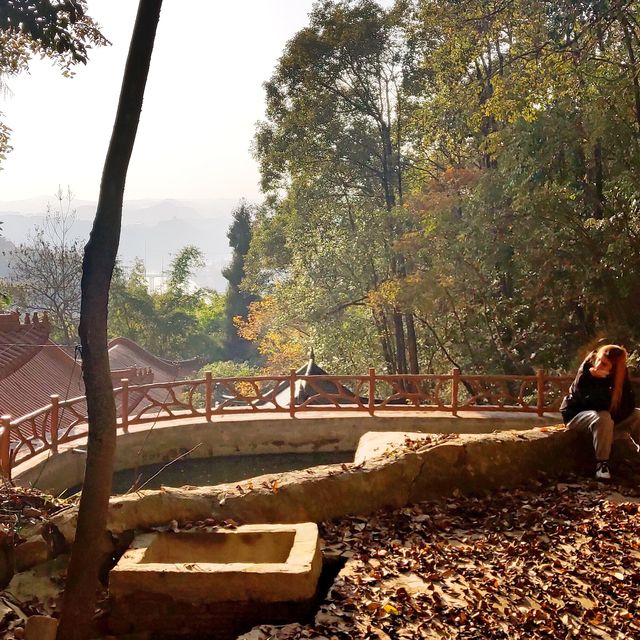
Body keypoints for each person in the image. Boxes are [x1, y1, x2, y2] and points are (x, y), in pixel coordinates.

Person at [560, 344, 640, 480]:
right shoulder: (586, 371)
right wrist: (593, 378)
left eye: (604, 364)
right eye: (599, 360)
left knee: (637, 415)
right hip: (578, 415)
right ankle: (602, 465)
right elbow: (589, 402)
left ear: (613, 370)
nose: (598, 365)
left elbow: (629, 403)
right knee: (603, 416)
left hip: (608, 420)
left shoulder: (620, 375)